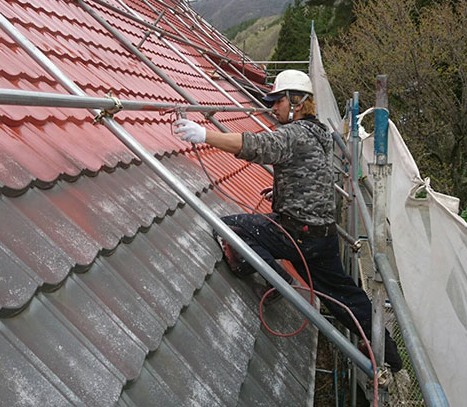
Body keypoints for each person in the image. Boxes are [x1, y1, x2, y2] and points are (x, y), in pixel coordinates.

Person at [173, 70, 403, 372]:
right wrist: (283, 190)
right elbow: (308, 171)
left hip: (298, 234)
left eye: (278, 100)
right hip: (322, 233)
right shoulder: (319, 132)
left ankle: (275, 277)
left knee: (232, 227)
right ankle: (390, 354)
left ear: (297, 101)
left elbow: (257, 146)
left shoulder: (294, 133)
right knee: (344, 295)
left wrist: (204, 135)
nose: (272, 107)